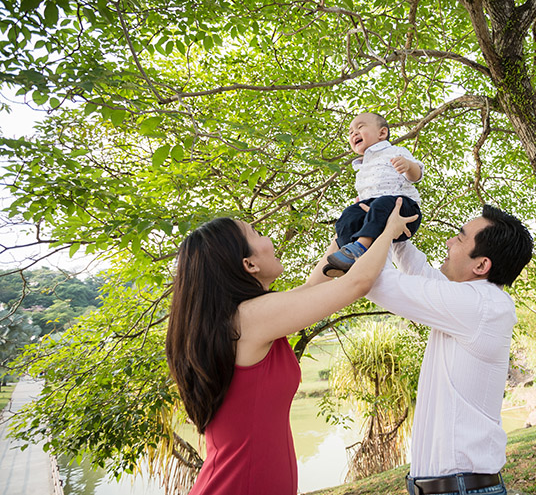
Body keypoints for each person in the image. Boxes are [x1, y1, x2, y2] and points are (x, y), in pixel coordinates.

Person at [165, 199, 417, 495]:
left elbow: (313, 287)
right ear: (249, 264)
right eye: (257, 234)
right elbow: (356, 284)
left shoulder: (244, 318)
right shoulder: (250, 318)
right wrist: (386, 231)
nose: (268, 239)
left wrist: (343, 236)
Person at [367, 204, 533, 495]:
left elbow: (373, 281)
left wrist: (375, 231)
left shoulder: (478, 306)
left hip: (459, 489)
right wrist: (397, 231)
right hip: (454, 488)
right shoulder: (475, 300)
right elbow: (419, 275)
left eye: (459, 237)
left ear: (481, 265)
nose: (448, 241)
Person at [324, 112, 424, 277]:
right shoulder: (362, 166)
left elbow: (416, 175)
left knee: (381, 203)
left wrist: (408, 165)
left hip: (404, 210)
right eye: (350, 132)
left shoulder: (395, 151)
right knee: (348, 214)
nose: (354, 133)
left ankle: (360, 247)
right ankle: (346, 256)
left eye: (360, 127)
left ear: (382, 133)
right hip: (375, 215)